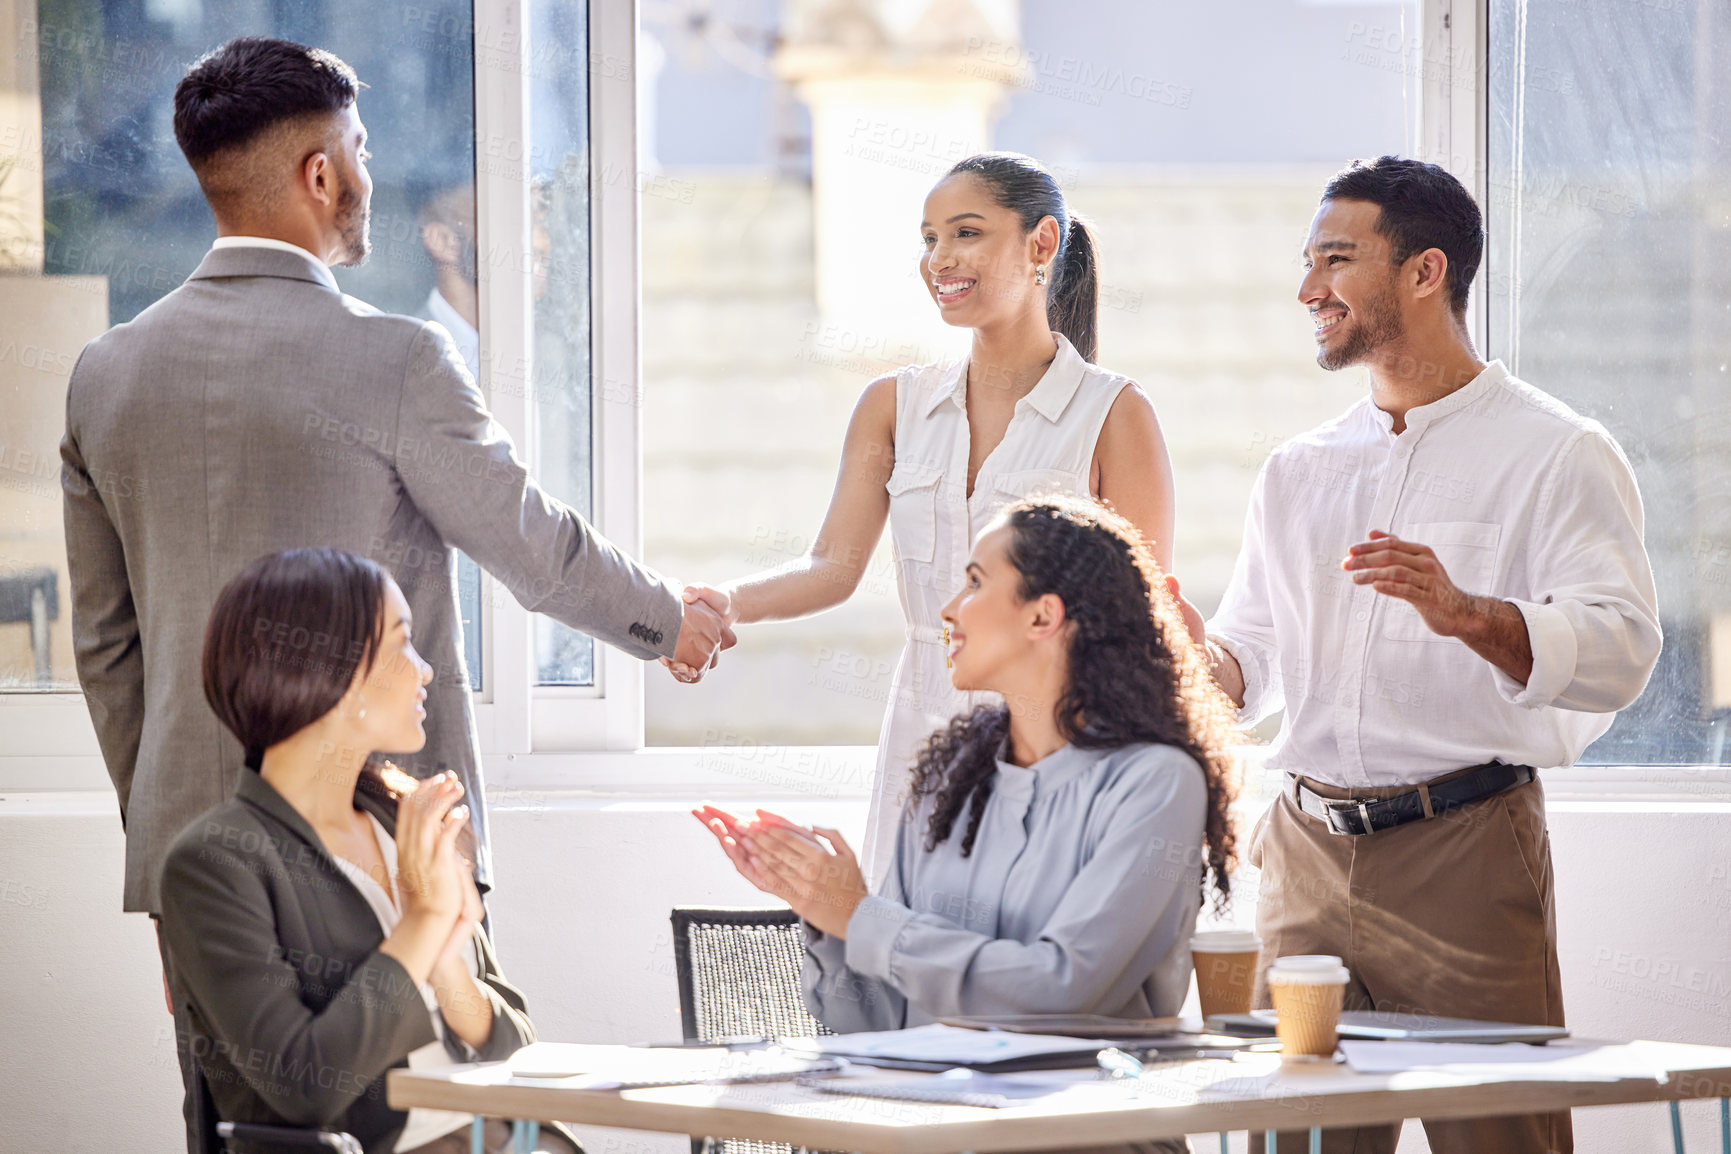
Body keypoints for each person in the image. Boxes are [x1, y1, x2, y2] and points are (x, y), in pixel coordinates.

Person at [61, 36, 725, 1149]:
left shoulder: (104, 371)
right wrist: (671, 621)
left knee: (249, 1132)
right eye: (359, 150)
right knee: (459, 1113)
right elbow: (531, 545)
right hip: (383, 834)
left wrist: (172, 859)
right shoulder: (397, 360)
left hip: (192, 849)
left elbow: (105, 650)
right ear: (322, 174)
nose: (369, 176)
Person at [1192, 157, 1661, 1154]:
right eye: (1308, 261)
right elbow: (1253, 657)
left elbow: (1622, 648)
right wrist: (1194, 657)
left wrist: (1467, 612)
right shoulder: (1298, 469)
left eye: (1336, 259)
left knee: (1503, 1140)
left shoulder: (1558, 451)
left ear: (1423, 271)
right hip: (1305, 856)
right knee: (1300, 1143)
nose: (1308, 288)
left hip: (1465, 849)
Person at [676, 152, 1190, 883]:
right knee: (905, 959)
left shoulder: (1115, 413)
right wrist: (725, 603)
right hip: (918, 732)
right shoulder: (893, 406)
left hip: (1058, 740)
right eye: (929, 239)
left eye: (966, 233)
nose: (940, 259)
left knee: (1022, 960)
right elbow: (832, 566)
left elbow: (1141, 619)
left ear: (1041, 244)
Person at [696, 498, 1237, 1130]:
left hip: (1081, 1139)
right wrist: (824, 914)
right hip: (931, 1133)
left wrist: (862, 917)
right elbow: (876, 1023)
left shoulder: (1155, 782)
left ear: (1043, 615)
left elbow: (1060, 991)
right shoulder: (950, 778)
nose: (950, 609)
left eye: (976, 583)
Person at [158, 547, 578, 1153]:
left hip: (509, 1139)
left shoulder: (404, 821)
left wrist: (444, 966)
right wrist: (424, 924)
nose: (425, 669)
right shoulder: (215, 861)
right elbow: (304, 1086)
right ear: (332, 670)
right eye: (402, 644)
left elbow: (516, 1048)